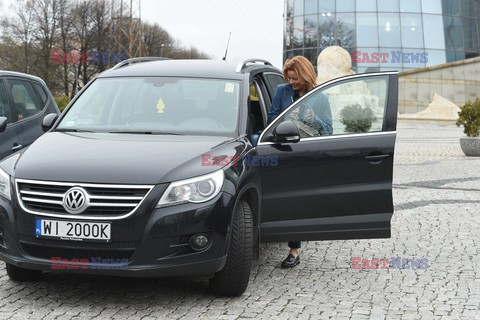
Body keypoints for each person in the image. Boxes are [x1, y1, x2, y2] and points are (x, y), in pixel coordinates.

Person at [267, 56, 332, 268]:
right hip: (284, 150)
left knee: (297, 201)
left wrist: (314, 118)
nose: (292, 82)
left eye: (295, 78)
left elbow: (328, 131)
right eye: (289, 78)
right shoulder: (281, 92)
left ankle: (294, 250)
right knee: (284, 199)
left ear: (305, 75)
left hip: (306, 154)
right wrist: (285, 119)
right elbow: (271, 119)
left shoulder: (320, 98)